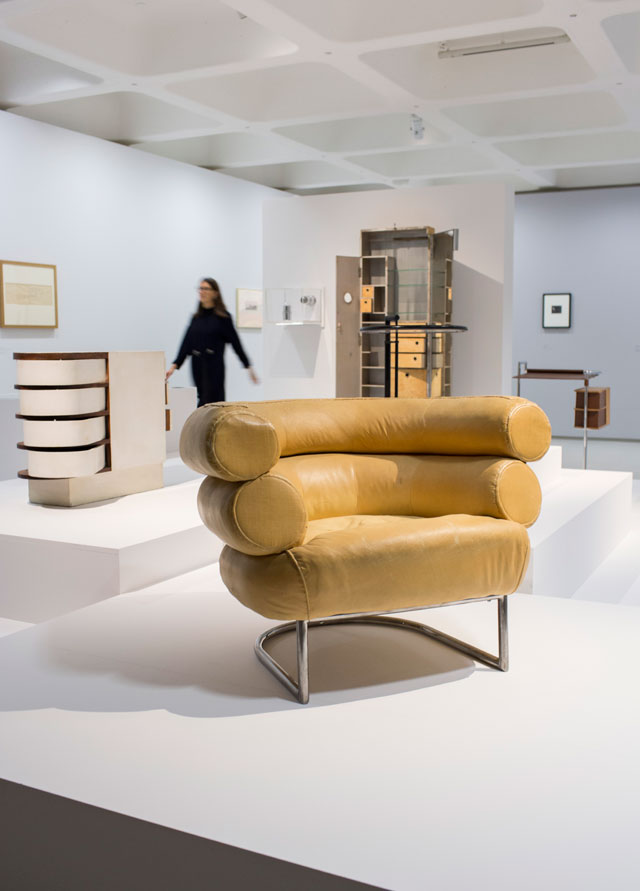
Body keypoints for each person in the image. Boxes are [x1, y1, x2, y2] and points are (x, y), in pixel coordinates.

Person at [166, 278, 259, 405]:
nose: (202, 292)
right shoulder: (196, 318)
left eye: (206, 288)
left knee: (213, 401)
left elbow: (236, 343)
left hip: (214, 365)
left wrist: (248, 366)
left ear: (215, 293)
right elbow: (186, 344)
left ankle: (214, 425)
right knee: (201, 399)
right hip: (197, 364)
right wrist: (174, 366)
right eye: (200, 288)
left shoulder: (223, 318)